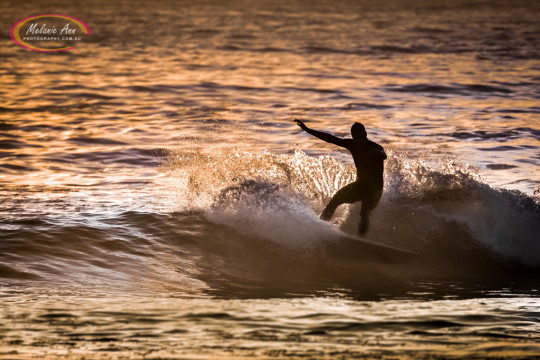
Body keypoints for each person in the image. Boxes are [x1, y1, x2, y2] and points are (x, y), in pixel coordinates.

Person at [294, 119, 387, 235]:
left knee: (364, 213)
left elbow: (384, 155)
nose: (357, 140)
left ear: (365, 135)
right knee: (334, 201)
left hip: (375, 189)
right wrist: (308, 130)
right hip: (360, 185)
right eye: (355, 137)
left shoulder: (375, 147)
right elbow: (330, 139)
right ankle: (319, 228)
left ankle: (361, 240)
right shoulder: (352, 144)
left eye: (359, 137)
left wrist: (376, 153)